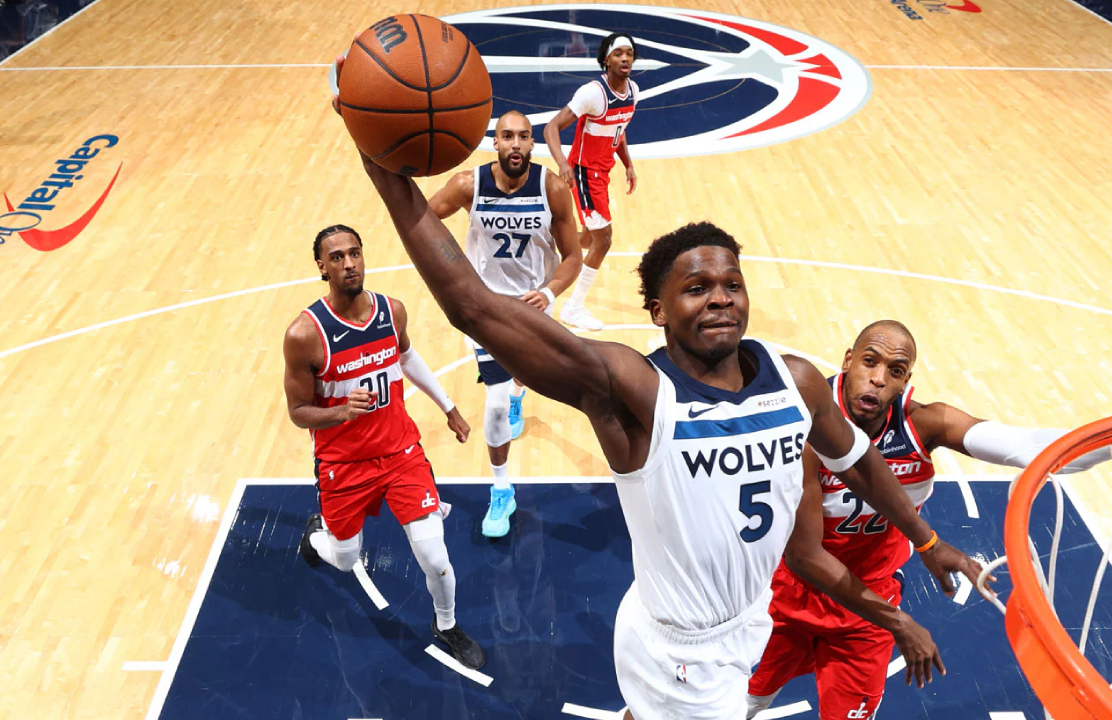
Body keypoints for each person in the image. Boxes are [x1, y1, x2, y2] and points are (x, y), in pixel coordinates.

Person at [334, 59, 982, 708]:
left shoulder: (798, 380)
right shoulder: (633, 389)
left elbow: (863, 462)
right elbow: (472, 306)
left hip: (749, 623)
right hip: (681, 655)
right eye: (696, 289)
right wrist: (380, 163)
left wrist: (927, 542)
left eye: (732, 284)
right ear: (657, 310)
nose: (721, 299)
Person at [746, 319, 1112, 720]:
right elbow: (805, 555)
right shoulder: (802, 420)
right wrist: (905, 620)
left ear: (907, 380)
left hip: (865, 602)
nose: (877, 379)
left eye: (895, 370)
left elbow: (1025, 446)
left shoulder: (923, 424)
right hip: (787, 593)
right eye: (869, 362)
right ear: (847, 360)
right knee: (740, 701)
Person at [281, 224, 485, 670]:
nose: (349, 263)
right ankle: (318, 538)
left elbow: (407, 357)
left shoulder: (391, 311)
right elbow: (298, 410)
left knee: (436, 557)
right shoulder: (304, 334)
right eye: (337, 257)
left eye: (354, 253)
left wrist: (448, 406)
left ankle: (446, 623)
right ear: (321, 266)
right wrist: (339, 412)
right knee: (345, 558)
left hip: (400, 454)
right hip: (343, 464)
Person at [428, 110, 583, 538]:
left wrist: (550, 292)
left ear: (532, 144)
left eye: (524, 137)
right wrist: (454, 272)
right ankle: (502, 490)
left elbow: (574, 256)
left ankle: (518, 392)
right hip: (487, 309)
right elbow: (422, 221)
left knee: (520, 378)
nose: (516, 144)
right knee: (494, 404)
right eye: (507, 136)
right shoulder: (467, 185)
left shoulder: (551, 188)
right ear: (494, 143)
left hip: (534, 305)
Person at [542, 31, 640, 331]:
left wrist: (628, 164)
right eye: (619, 53)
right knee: (604, 239)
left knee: (586, 238)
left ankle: (545, 244)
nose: (625, 58)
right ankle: (573, 308)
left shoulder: (634, 91)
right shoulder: (592, 93)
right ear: (606, 59)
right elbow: (551, 127)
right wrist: (562, 164)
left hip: (603, 171)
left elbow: (619, 129)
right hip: (584, 173)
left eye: (630, 53)